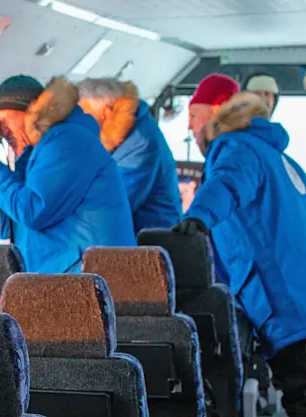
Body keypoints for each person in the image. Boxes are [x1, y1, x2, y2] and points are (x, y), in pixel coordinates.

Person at [174, 73, 306, 415]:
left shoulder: (236, 147)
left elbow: (229, 183)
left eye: (193, 116)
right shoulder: (279, 158)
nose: (190, 128)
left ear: (217, 111)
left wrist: (197, 217)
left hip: (289, 311)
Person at [0, 74, 135, 273]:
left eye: (4, 121)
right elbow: (4, 226)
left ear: (31, 111)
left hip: (93, 278)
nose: (2, 132)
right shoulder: (34, 156)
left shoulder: (67, 141)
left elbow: (34, 211)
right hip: (65, 279)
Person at [77, 78, 182, 233]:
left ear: (106, 113)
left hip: (151, 243)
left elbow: (110, 202)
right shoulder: (124, 136)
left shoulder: (141, 144)